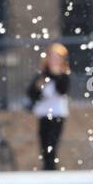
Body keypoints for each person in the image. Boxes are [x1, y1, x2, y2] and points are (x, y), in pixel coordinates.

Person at [28, 43, 70, 171]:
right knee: (44, 144)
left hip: (57, 114)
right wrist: (38, 87)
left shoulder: (63, 75)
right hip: (43, 113)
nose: (54, 60)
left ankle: (51, 170)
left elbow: (62, 91)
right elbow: (32, 94)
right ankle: (47, 169)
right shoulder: (42, 75)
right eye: (52, 57)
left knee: (52, 144)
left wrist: (56, 76)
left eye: (57, 57)